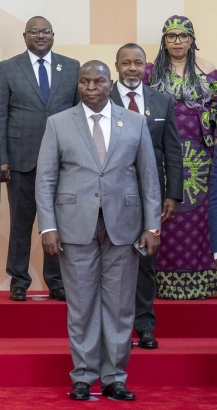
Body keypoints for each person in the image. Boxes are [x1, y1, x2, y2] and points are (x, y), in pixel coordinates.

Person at [35, 60, 160, 402]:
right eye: (85, 82)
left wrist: (153, 226)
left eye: (98, 82)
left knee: (119, 307)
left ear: (110, 83)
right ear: (78, 85)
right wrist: (48, 226)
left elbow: (149, 177)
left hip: (125, 228)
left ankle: (114, 377)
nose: (91, 88)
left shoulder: (134, 122)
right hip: (74, 228)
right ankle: (83, 376)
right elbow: (45, 179)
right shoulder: (59, 123)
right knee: (82, 306)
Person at [0, 16, 79, 301]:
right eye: (34, 31)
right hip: (20, 160)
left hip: (62, 161)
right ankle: (18, 279)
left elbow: (80, 115)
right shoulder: (8, 68)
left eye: (46, 31)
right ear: (25, 35)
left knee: (57, 223)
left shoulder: (72, 67)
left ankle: (56, 281)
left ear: (53, 35)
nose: (40, 35)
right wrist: (1, 157)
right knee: (21, 222)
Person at [111, 43, 183, 349]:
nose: (131, 68)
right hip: (110, 198)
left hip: (149, 200)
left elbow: (172, 151)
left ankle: (144, 326)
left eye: (137, 63)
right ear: (116, 66)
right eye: (125, 63)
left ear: (145, 67)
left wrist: (173, 194)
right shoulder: (101, 98)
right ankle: (114, 330)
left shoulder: (161, 101)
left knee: (145, 262)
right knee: (111, 262)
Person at [146, 16, 217, 300]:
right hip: (161, 155)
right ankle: (159, 282)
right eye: (172, 36)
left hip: (201, 158)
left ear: (192, 40)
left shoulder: (208, 71)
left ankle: (201, 281)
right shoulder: (150, 74)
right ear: (164, 40)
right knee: (165, 215)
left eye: (183, 36)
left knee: (199, 218)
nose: (178, 41)